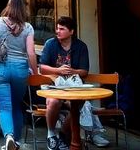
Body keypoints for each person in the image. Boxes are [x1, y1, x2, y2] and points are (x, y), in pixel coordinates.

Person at [39, 16, 105, 149]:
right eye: (57, 28)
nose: (58, 31)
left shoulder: (80, 46)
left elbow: (84, 71)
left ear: (72, 31)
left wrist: (72, 71)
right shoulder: (50, 44)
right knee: (54, 101)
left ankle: (63, 133)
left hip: (74, 85)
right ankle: (51, 134)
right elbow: (42, 68)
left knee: (80, 104)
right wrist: (58, 70)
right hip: (53, 84)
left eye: (62, 29)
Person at [0, 0, 37, 150]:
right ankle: (17, 141)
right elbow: (31, 53)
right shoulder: (28, 27)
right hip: (20, 69)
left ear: (8, 6)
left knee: (4, 106)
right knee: (16, 105)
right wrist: (35, 71)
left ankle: (8, 136)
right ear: (23, 8)